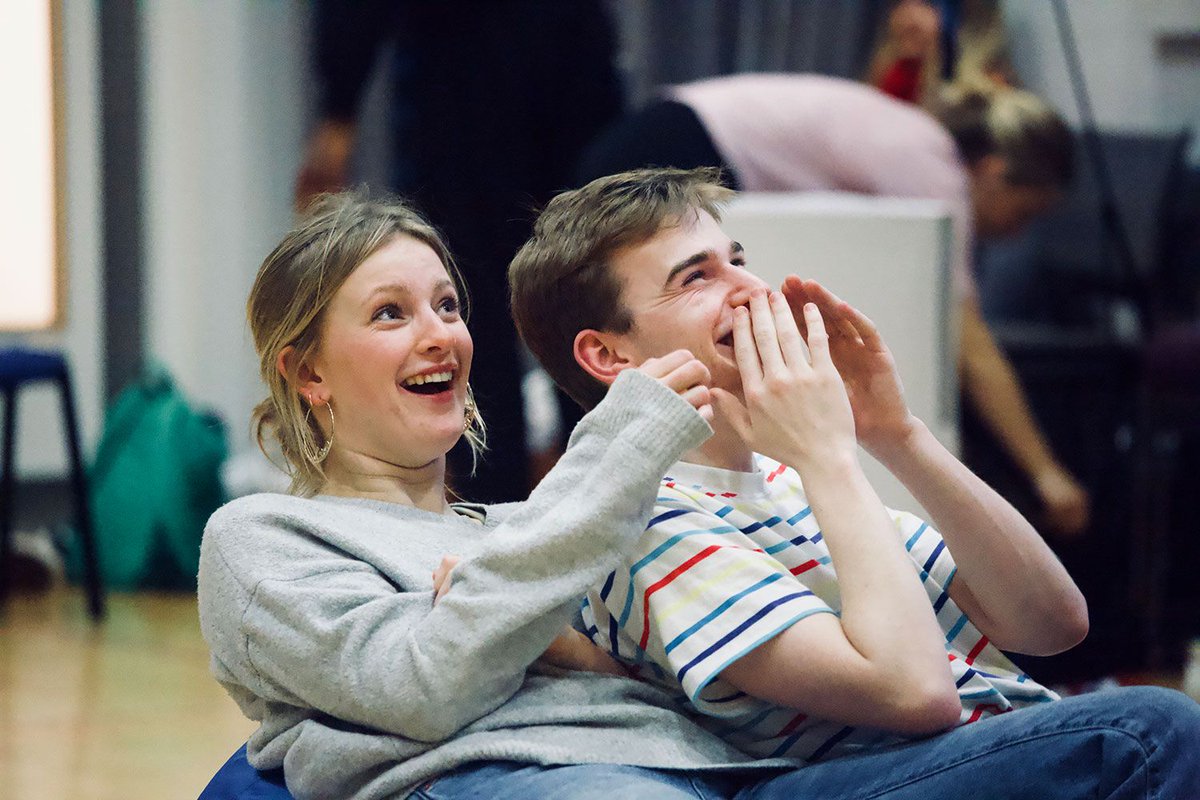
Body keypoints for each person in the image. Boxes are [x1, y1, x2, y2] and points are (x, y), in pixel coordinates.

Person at [507, 167, 1200, 796]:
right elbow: (916, 696)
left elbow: (1051, 624)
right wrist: (829, 457)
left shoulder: (781, 475)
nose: (752, 289)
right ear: (607, 353)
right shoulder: (639, 519)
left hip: (979, 746)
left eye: (739, 261)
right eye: (697, 278)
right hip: (851, 777)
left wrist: (895, 435)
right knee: (1151, 728)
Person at [575, 74, 1092, 538]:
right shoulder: (933, 169)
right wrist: (1044, 471)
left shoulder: (909, 136)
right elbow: (970, 345)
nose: (1013, 233)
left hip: (671, 119)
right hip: (676, 138)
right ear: (996, 171)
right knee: (602, 330)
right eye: (1024, 214)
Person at [295, 0, 624, 504]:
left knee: (562, 296)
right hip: (520, 54)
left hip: (489, 68)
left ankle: (590, 504)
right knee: (508, 306)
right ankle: (529, 513)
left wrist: (337, 111)